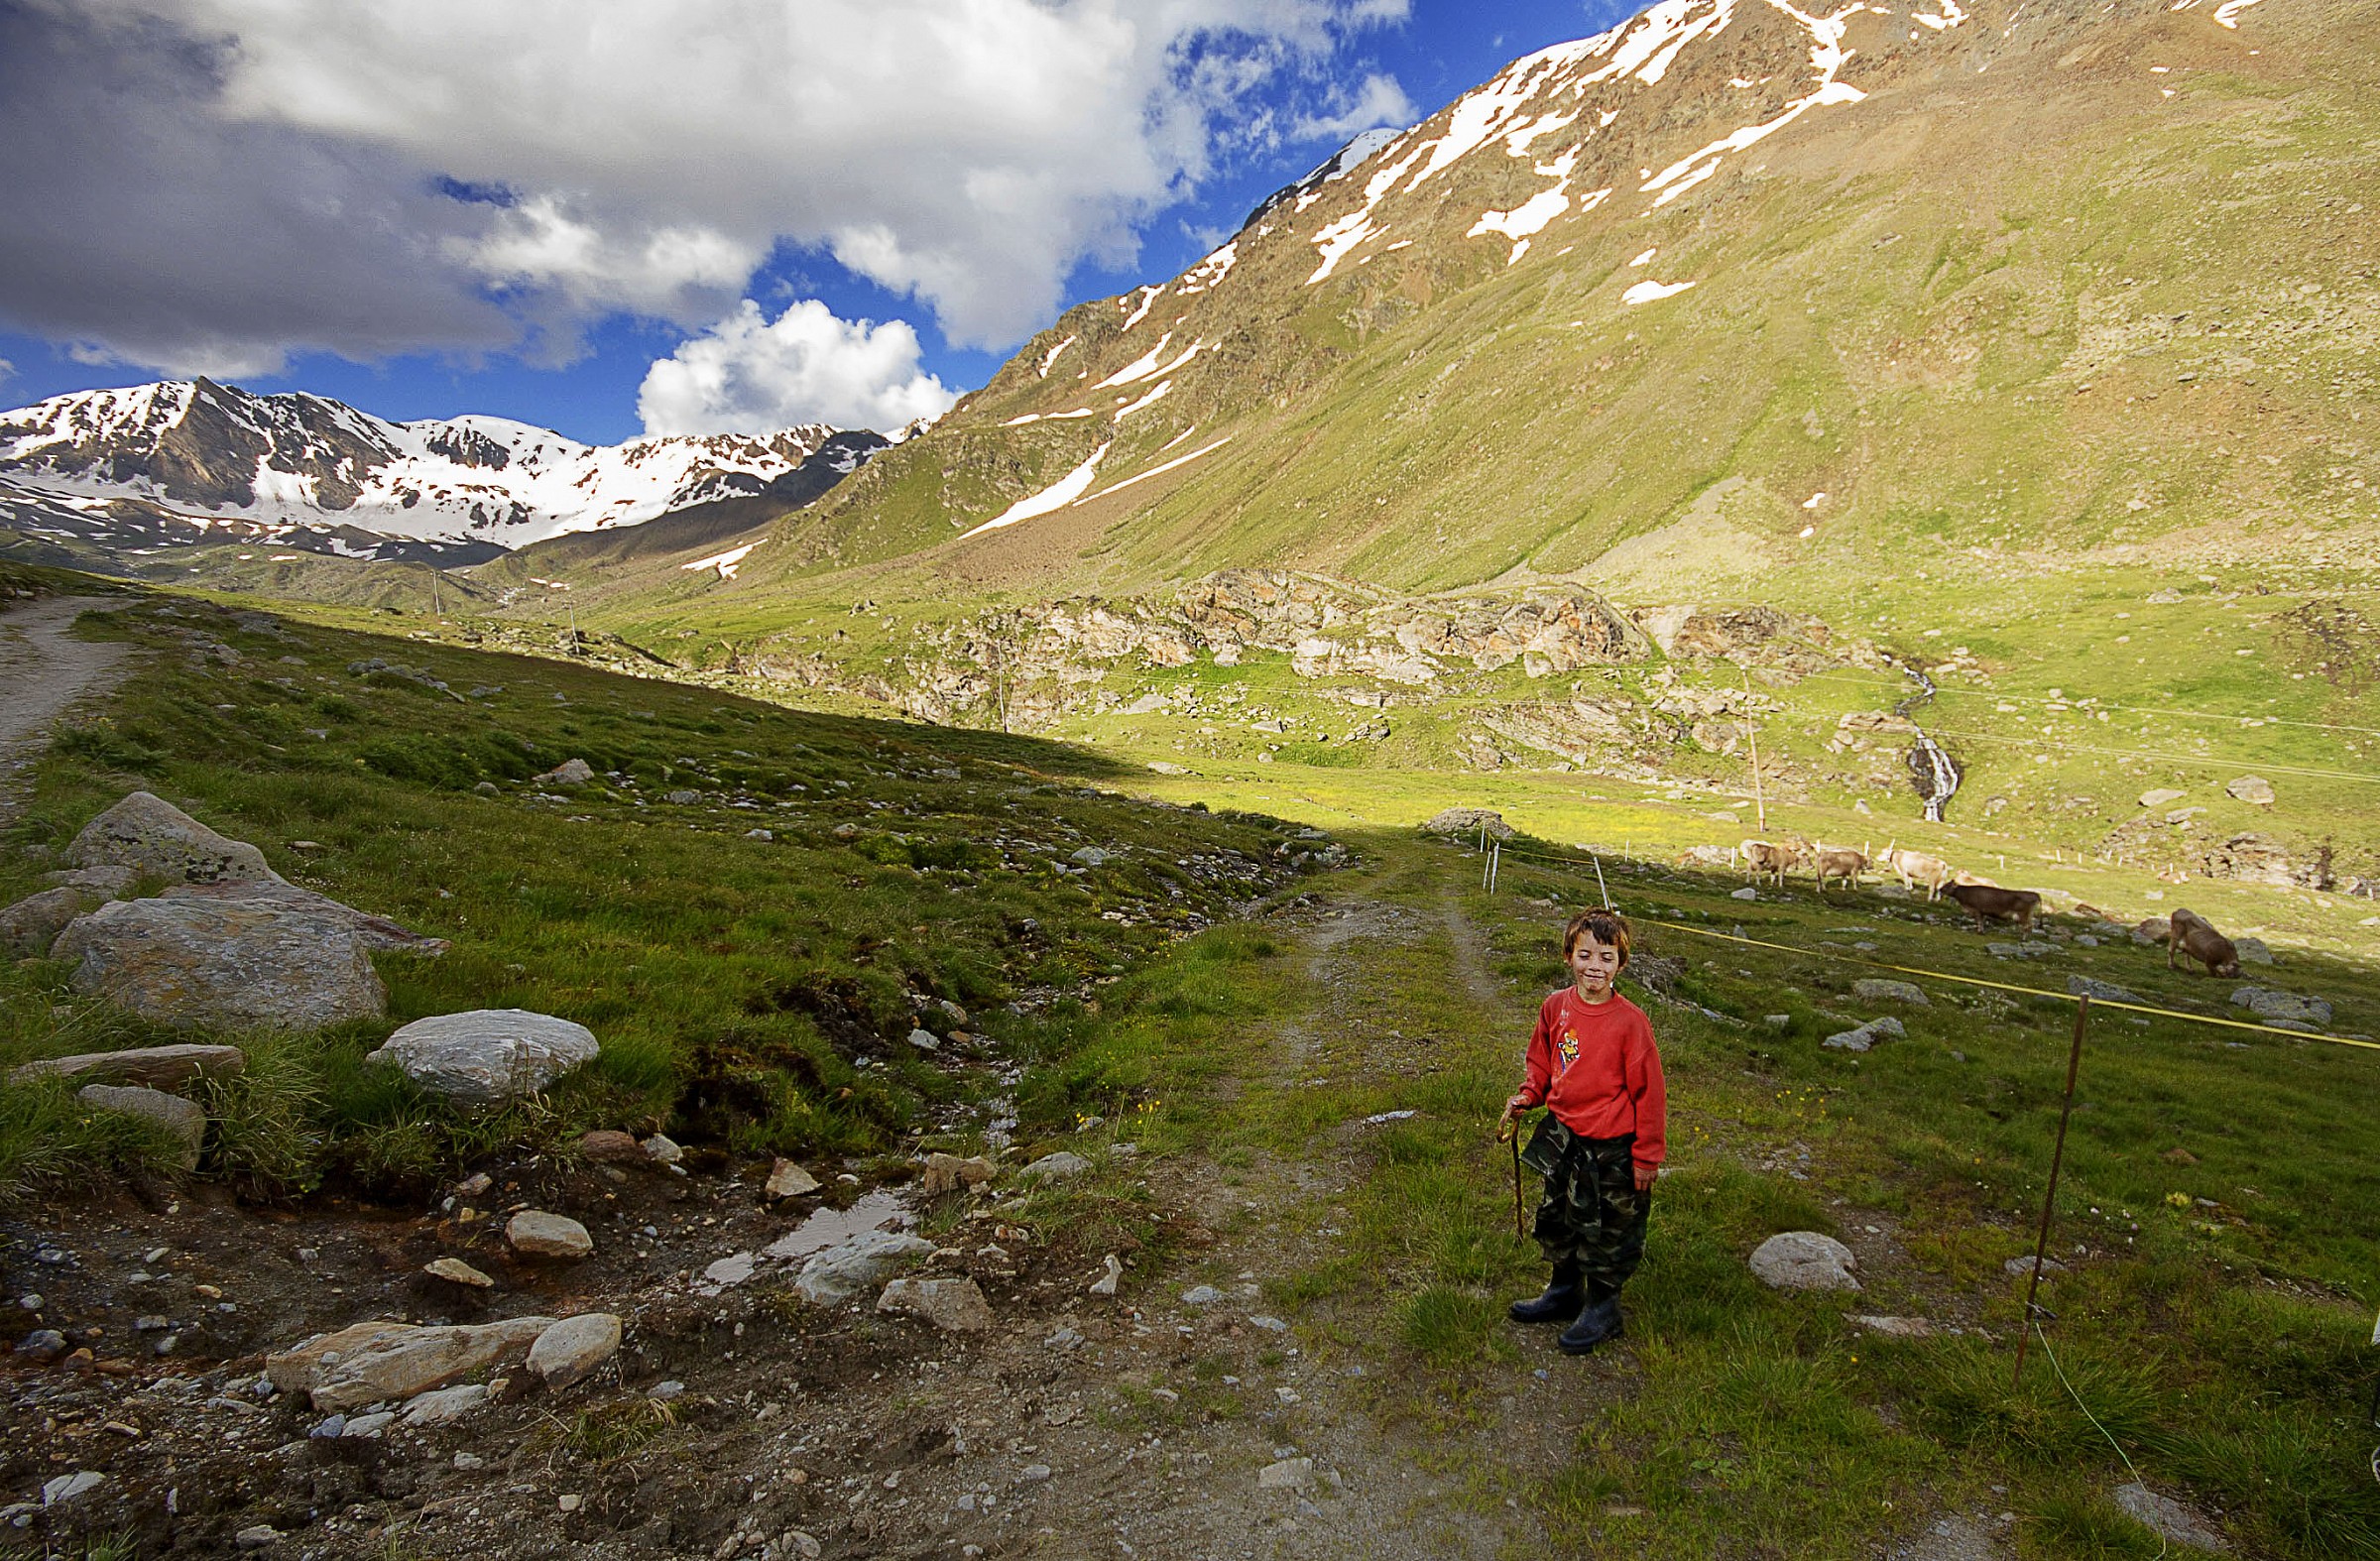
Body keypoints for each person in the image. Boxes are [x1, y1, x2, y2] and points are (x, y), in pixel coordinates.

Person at [1498, 907, 1666, 1356]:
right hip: (1562, 1136)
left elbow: (1650, 1093)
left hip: (1612, 1148)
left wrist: (1647, 1156)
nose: (1595, 966)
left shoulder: (1631, 1023)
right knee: (1559, 1215)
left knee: (1609, 1228)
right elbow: (1542, 1062)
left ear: (1621, 965)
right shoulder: (1555, 1007)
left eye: (1606, 957)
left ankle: (1603, 1307)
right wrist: (1528, 1095)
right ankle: (1563, 1289)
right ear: (1568, 956)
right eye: (1585, 954)